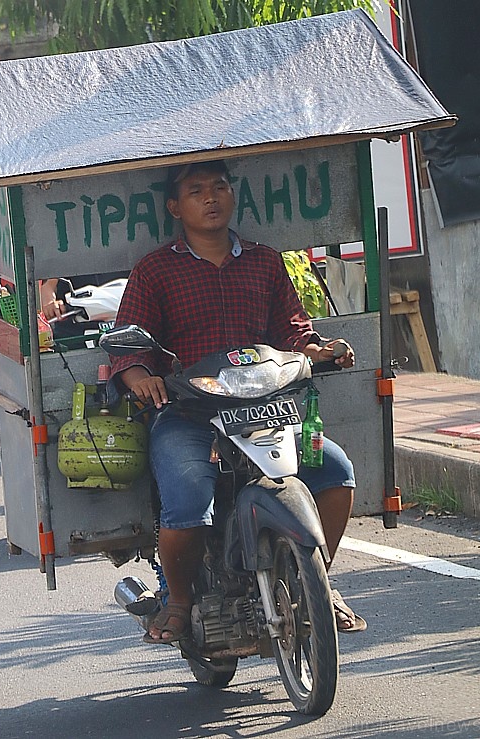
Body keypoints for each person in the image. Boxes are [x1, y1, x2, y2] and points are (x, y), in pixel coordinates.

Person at [110, 159, 366, 645]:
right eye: (196, 191)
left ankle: (318, 583)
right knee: (187, 500)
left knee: (336, 472)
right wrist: (138, 374)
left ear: (233, 196)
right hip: (189, 416)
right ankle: (180, 601)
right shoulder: (156, 270)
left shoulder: (265, 262)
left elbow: (293, 330)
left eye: (219, 187)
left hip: (268, 411)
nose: (210, 198)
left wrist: (319, 350)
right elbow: (130, 346)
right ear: (175, 207)